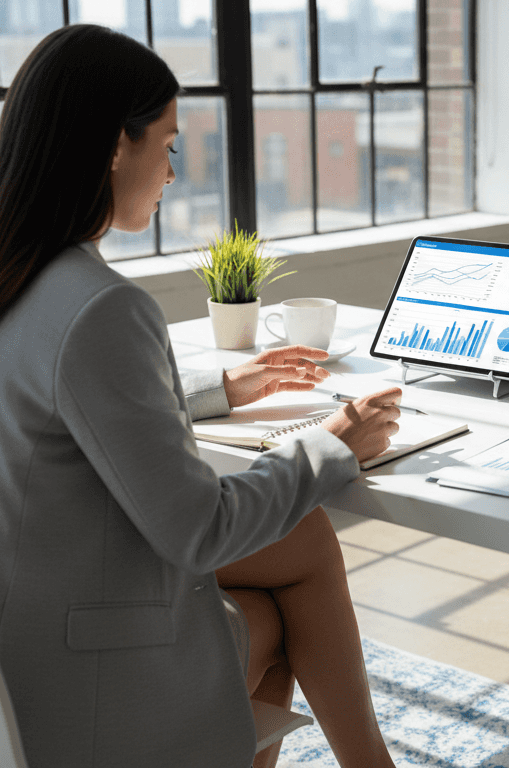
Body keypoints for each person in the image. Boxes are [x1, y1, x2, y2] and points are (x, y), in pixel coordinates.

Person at [0, 25, 403, 768]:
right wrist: (332, 441)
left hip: (23, 637)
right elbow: (198, 530)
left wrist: (218, 389)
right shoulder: (100, 307)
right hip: (77, 682)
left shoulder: (23, 277)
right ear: (115, 146)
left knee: (298, 548)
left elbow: (66, 400)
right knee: (282, 600)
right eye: (168, 144)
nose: (173, 173)